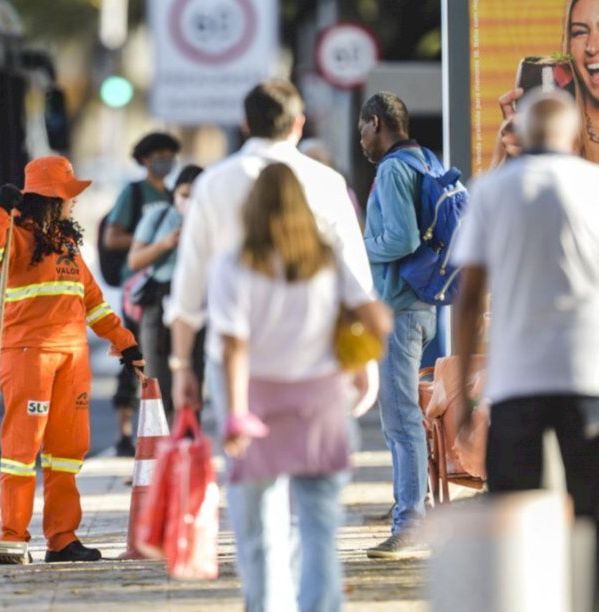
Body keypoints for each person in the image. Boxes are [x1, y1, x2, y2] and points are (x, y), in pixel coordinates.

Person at [211, 163, 391, 612]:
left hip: (261, 405)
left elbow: (234, 346)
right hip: (322, 404)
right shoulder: (327, 258)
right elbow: (377, 320)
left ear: (252, 208)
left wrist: (234, 413)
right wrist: (356, 354)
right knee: (319, 528)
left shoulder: (233, 265)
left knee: (263, 530)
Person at [452, 90, 599, 598]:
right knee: (591, 512)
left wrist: (467, 404)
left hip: (517, 380)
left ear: (526, 134)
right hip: (589, 378)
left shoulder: (492, 191)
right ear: (573, 134)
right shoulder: (595, 187)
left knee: (515, 518)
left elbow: (468, 296)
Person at [166, 79, 373, 433]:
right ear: (299, 123)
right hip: (316, 352)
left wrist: (181, 363)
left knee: (253, 476)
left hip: (238, 358)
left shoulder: (212, 184)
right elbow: (355, 276)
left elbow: (189, 283)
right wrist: (364, 359)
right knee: (317, 474)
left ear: (246, 125)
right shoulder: (326, 183)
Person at [0, 156, 145, 562]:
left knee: (67, 451)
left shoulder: (67, 244)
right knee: (22, 451)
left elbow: (94, 303)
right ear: (50, 199)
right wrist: (0, 212)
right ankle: (13, 536)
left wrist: (126, 344)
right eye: (68, 196)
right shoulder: (17, 234)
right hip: (28, 356)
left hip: (72, 359)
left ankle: (62, 538)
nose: (73, 203)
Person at [357, 92, 435, 559]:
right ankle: (413, 510)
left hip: (400, 310)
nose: (363, 140)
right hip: (422, 307)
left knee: (401, 421)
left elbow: (400, 238)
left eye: (363, 130)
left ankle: (410, 523)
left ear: (375, 121)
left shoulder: (391, 168)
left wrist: (354, 246)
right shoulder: (424, 158)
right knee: (406, 420)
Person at [103, 132, 181, 456]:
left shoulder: (176, 194)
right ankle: (124, 430)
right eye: (159, 154)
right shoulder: (134, 193)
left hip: (167, 286)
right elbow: (112, 237)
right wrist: (147, 239)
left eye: (170, 154)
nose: (166, 160)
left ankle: (162, 428)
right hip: (137, 287)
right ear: (145, 159)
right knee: (133, 355)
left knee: (163, 358)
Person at [127, 164, 206, 419]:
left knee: (194, 376)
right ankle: (159, 446)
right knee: (157, 380)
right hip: (159, 301)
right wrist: (166, 244)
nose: (189, 202)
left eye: (196, 196)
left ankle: (186, 443)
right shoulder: (160, 216)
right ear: (175, 194)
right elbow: (135, 260)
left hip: (196, 305)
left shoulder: (211, 220)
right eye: (184, 195)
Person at [494, 0, 599, 164]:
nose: (592, 47)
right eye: (579, 32)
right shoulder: (532, 123)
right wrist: (512, 161)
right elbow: (490, 189)